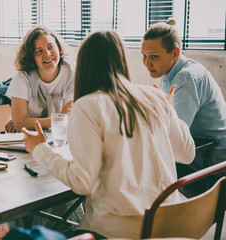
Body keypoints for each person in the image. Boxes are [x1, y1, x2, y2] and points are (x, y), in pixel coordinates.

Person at [22, 31, 195, 239]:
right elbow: (187, 154)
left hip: (120, 232)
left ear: (84, 66)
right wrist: (169, 110)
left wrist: (41, 150)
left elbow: (82, 182)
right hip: (169, 228)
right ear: (122, 59)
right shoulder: (155, 96)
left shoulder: (87, 106)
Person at [141, 18, 226, 176]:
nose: (146, 63)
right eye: (144, 56)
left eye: (153, 56)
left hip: (209, 159)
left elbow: (175, 133)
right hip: (197, 149)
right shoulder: (168, 72)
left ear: (175, 53)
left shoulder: (186, 78)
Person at [5, 26, 74, 133]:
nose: (47, 54)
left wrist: (27, 123)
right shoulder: (22, 79)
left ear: (59, 48)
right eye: (39, 51)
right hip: (23, 137)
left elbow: (72, 118)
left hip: (58, 136)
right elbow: (19, 124)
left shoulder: (72, 74)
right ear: (31, 57)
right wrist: (59, 119)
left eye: (51, 47)